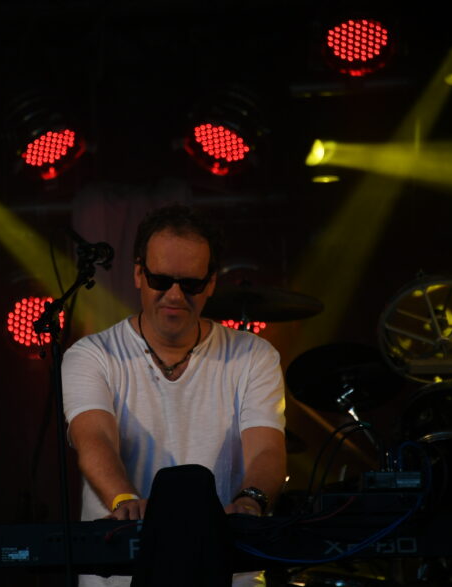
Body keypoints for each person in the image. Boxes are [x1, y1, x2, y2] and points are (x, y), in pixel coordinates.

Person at [62, 204, 287, 586]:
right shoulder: (92, 355)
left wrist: (251, 501)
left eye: (191, 284)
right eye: (161, 280)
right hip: (120, 575)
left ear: (211, 283)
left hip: (229, 573)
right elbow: (94, 439)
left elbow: (267, 448)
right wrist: (123, 501)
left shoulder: (253, 355)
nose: (175, 295)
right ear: (138, 273)